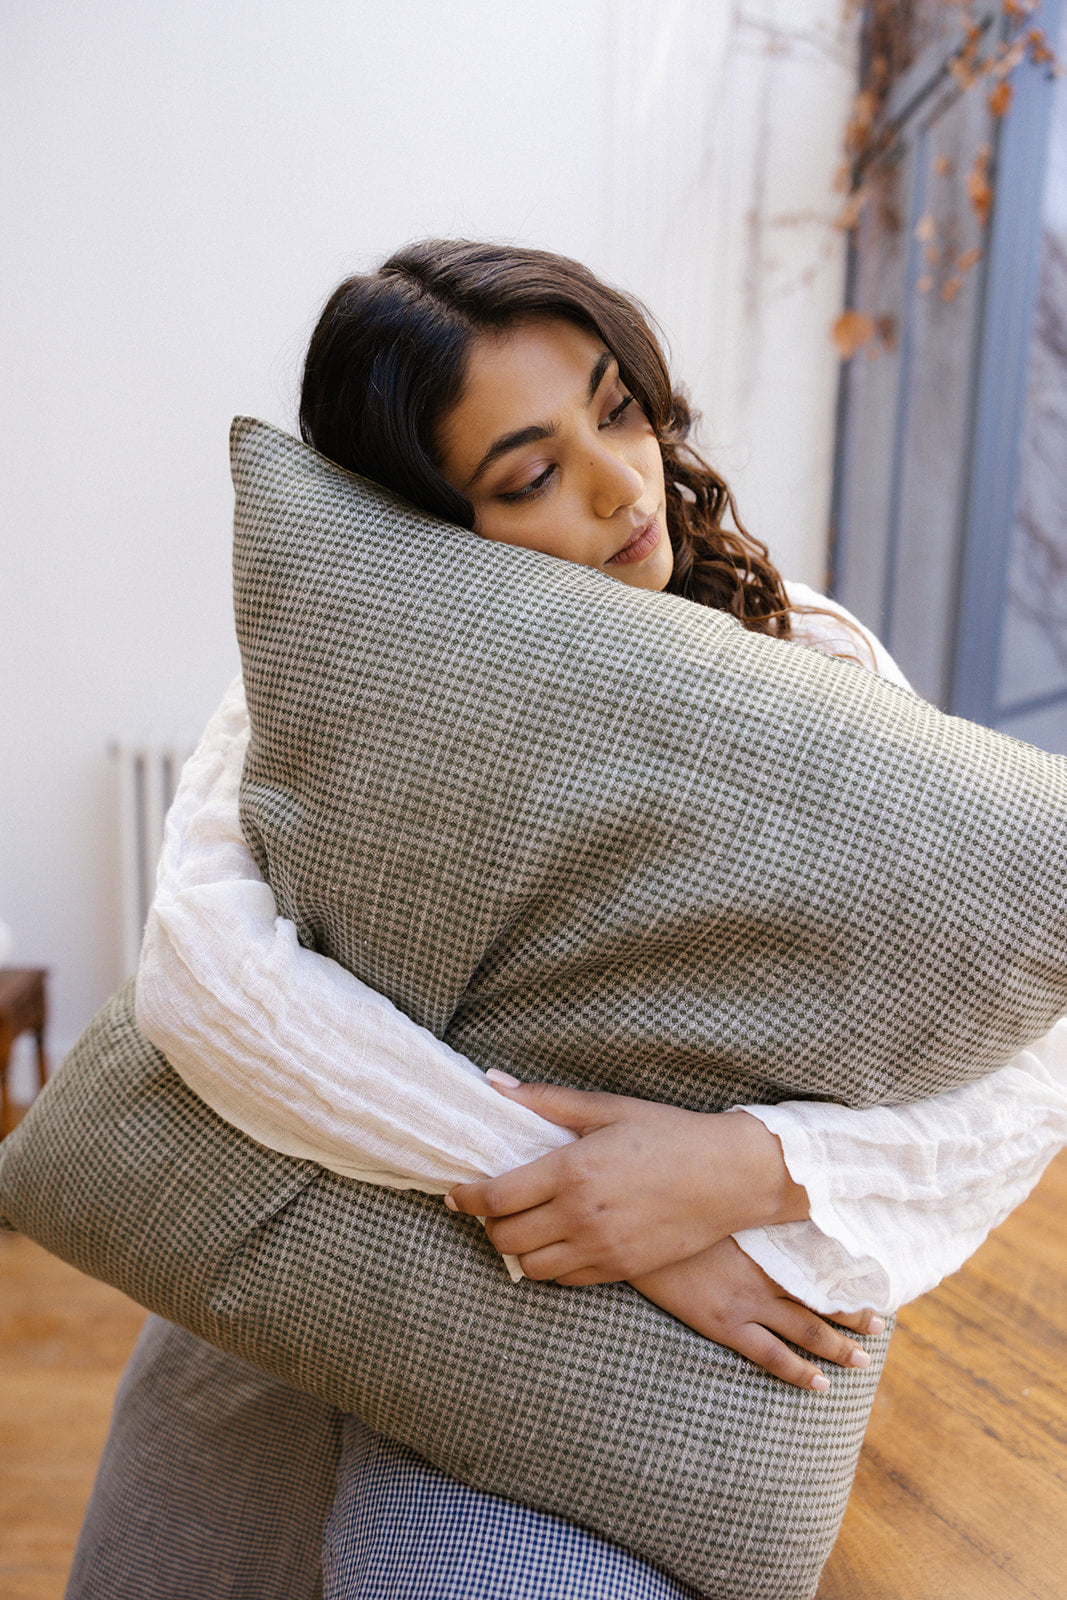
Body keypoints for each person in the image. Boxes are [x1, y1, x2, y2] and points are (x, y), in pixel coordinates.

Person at [70, 241, 1067, 1600]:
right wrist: (594, 1200)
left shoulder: (813, 665)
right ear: (420, 527)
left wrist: (741, 1173)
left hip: (620, 1379)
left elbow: (1030, 1059)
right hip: (307, 1257)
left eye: (616, 409)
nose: (618, 486)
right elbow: (205, 985)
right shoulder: (333, 683)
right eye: (527, 475)